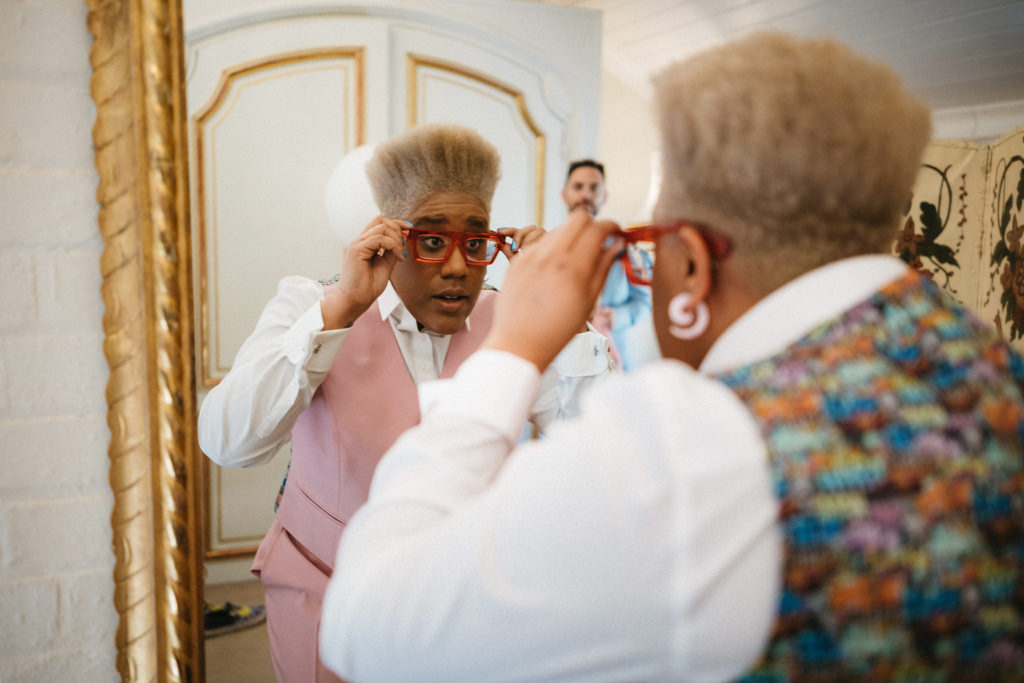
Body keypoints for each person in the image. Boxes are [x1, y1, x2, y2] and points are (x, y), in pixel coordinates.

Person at [320, 32, 1024, 682]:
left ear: (689, 262)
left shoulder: (683, 452)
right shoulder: (995, 367)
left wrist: (508, 352)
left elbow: (365, 624)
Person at [197, 123, 614, 682]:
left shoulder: (510, 323)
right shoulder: (311, 303)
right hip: (321, 590)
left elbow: (601, 454)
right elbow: (228, 442)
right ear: (390, 237)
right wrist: (339, 308)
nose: (459, 266)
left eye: (476, 241)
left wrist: (567, 315)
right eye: (432, 239)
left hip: (463, 602)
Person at [563, 159, 656, 370]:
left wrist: (618, 317)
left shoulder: (629, 250)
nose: (586, 195)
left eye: (594, 188)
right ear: (565, 194)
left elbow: (644, 302)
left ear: (604, 195)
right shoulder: (547, 249)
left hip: (616, 356)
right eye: (578, 187)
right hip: (565, 354)